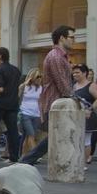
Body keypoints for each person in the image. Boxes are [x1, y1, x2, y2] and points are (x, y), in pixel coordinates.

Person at [21, 26, 77, 165]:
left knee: (56, 135)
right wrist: (73, 99)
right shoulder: (56, 57)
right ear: (62, 38)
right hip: (56, 102)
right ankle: (28, 160)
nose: (74, 40)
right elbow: (62, 83)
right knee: (55, 135)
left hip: (58, 102)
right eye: (72, 37)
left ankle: (30, 160)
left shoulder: (61, 57)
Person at [72, 65, 97, 166]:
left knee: (86, 140)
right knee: (76, 139)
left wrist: (90, 110)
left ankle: (83, 163)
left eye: (77, 72)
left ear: (84, 73)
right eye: (74, 73)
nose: (75, 74)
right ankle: (76, 161)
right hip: (75, 116)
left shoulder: (91, 85)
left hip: (87, 117)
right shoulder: (73, 85)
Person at [18, 69, 43, 156]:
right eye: (37, 77)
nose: (39, 78)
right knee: (31, 134)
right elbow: (18, 99)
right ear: (32, 77)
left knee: (28, 136)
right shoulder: (23, 87)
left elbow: (40, 102)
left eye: (40, 76)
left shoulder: (40, 88)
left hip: (36, 114)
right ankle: (35, 155)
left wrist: (41, 116)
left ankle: (23, 155)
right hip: (25, 113)